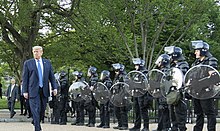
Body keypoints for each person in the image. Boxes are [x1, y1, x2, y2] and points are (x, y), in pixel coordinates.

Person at [22, 46, 57, 131]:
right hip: (33, 90)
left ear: (41, 52)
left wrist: (54, 88)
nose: (36, 53)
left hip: (44, 90)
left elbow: (51, 76)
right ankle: (37, 128)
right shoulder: (28, 63)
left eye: (37, 51)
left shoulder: (47, 63)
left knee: (42, 109)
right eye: (34, 51)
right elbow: (25, 78)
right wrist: (24, 91)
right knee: (35, 108)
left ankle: (36, 120)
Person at [191, 40, 218, 131]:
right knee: (198, 113)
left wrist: (200, 83)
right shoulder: (196, 63)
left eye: (197, 50)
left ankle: (211, 129)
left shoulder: (211, 60)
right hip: (196, 92)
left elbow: (213, 77)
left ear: (203, 50)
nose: (195, 52)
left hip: (206, 92)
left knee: (209, 113)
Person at [164, 46, 189, 131]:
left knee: (180, 112)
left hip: (180, 92)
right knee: (172, 112)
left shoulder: (183, 64)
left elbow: (181, 77)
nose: (169, 57)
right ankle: (174, 127)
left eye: (170, 55)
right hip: (173, 91)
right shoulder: (173, 65)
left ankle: (181, 128)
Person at [129, 58, 153, 131]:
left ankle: (146, 127)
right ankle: (137, 126)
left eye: (136, 65)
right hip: (136, 94)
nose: (135, 67)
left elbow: (144, 84)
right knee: (137, 111)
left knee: (143, 111)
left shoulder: (144, 73)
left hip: (142, 94)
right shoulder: (136, 73)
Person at [153, 54, 171, 131]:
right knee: (161, 111)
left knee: (164, 110)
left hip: (164, 94)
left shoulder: (166, 70)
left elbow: (164, 82)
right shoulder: (161, 70)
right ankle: (160, 127)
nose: (158, 62)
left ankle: (166, 127)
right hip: (160, 93)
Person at [112, 63, 129, 130]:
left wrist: (123, 95)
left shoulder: (124, 76)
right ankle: (120, 124)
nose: (115, 72)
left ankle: (125, 125)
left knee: (122, 111)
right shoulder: (117, 76)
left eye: (117, 70)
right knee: (117, 111)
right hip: (117, 95)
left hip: (122, 96)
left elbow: (125, 87)